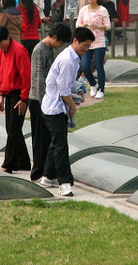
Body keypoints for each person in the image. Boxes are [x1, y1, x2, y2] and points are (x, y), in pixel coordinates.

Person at [40, 26, 95, 197]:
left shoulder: (74, 57)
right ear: (75, 41)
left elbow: (69, 84)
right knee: (61, 146)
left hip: (54, 106)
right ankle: (64, 182)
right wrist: (72, 106)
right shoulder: (68, 60)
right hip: (54, 107)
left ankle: (48, 177)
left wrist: (79, 91)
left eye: (88, 47)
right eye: (84, 46)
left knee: (56, 142)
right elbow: (64, 90)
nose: (86, 50)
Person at [28, 23, 67, 181]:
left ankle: (46, 170)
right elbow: (38, 79)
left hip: (46, 100)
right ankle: (37, 172)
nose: (61, 46)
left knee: (46, 138)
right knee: (39, 139)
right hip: (38, 99)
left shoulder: (50, 49)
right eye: (61, 43)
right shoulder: (40, 49)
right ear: (55, 37)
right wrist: (44, 102)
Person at [0, 24, 32, 171]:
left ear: (7, 38)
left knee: (14, 128)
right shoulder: (3, 51)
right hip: (8, 92)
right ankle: (24, 162)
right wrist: (1, 96)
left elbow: (26, 76)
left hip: (19, 93)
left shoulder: (19, 50)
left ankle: (9, 164)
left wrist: (24, 98)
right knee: (11, 128)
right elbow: (2, 73)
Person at [76, 0, 110, 100]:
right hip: (86, 42)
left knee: (99, 66)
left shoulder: (102, 10)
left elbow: (108, 26)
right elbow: (78, 24)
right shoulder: (84, 10)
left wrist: (98, 26)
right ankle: (93, 84)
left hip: (99, 41)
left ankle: (101, 89)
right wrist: (83, 26)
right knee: (85, 66)